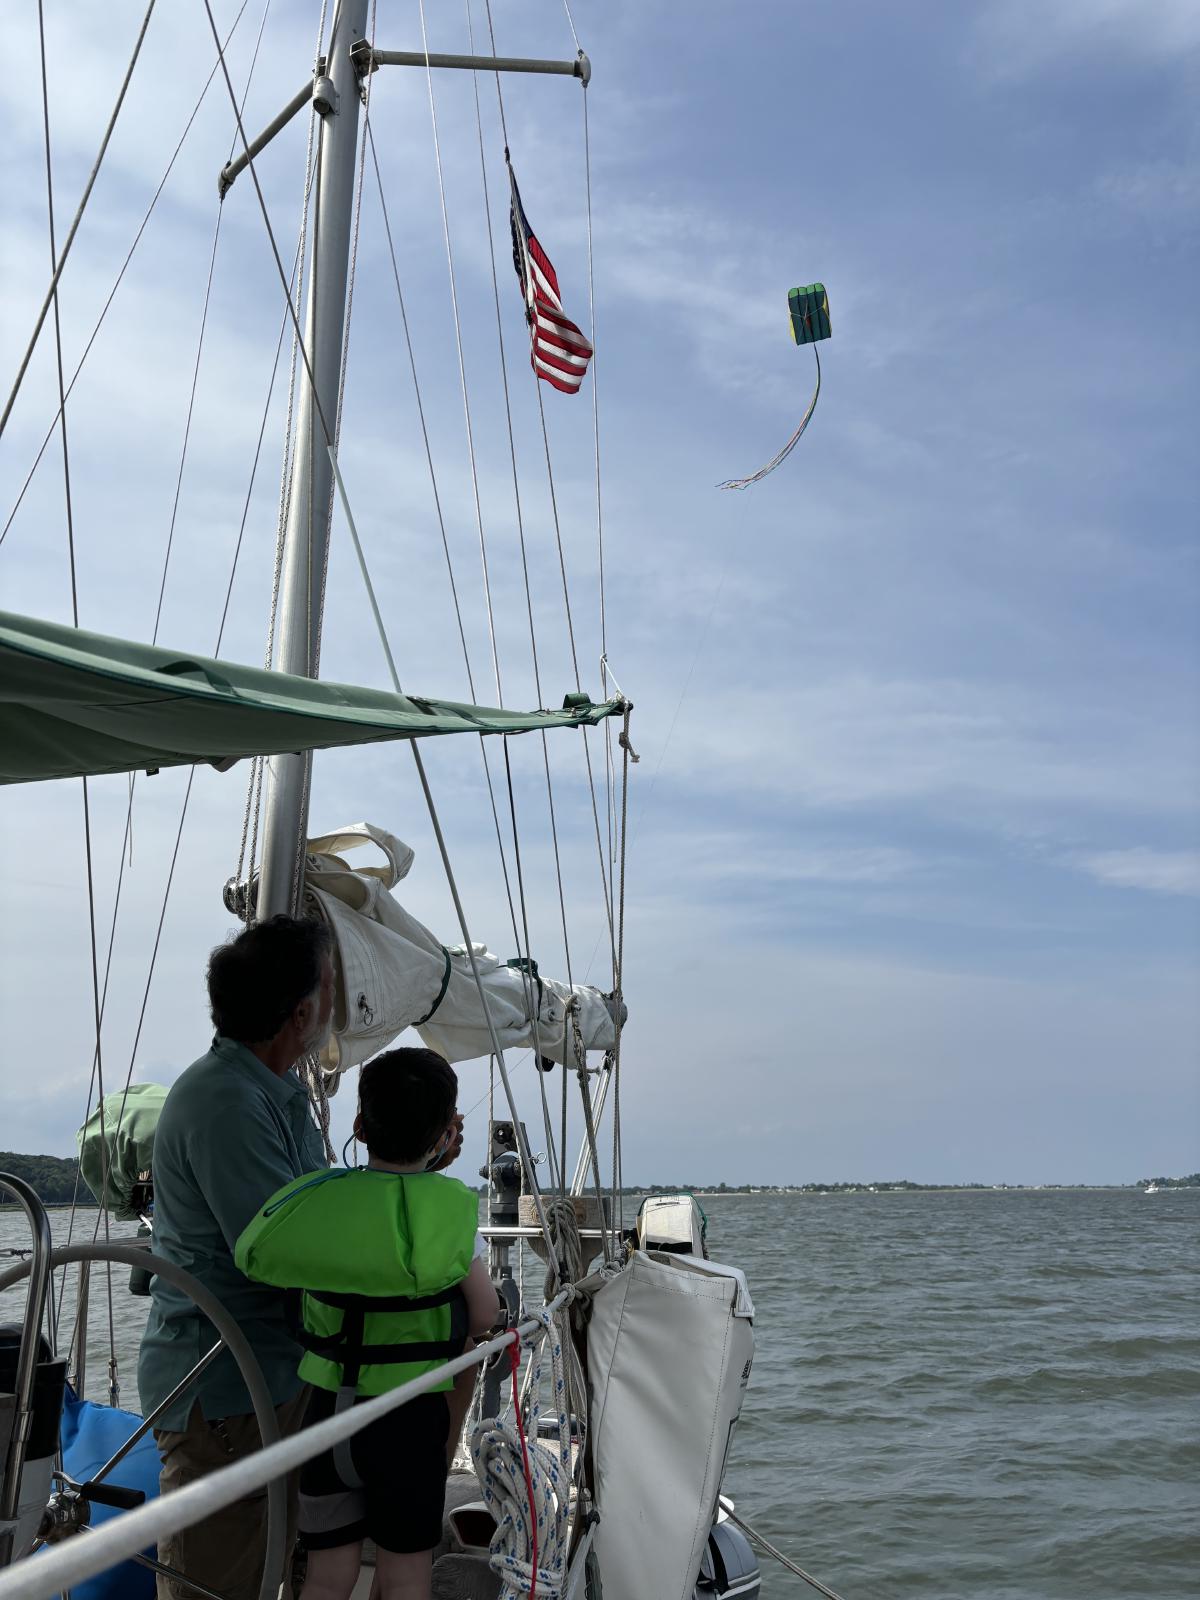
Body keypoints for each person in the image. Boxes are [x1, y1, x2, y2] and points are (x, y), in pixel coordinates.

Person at [235, 1048, 500, 1600]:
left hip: (327, 1414)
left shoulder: (320, 1201)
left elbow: (253, 1253)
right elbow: (484, 1315)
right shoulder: (451, 1211)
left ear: (359, 1125)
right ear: (446, 1135)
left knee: (329, 1576)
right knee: (406, 1578)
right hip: (410, 1422)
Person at [136, 914, 337, 1600]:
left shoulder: (270, 1093)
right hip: (223, 1387)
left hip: (271, 1372)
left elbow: (311, 1216)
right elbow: (281, 1248)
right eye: (331, 985)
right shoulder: (225, 1101)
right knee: (212, 1585)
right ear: (304, 1011)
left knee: (263, 1566)